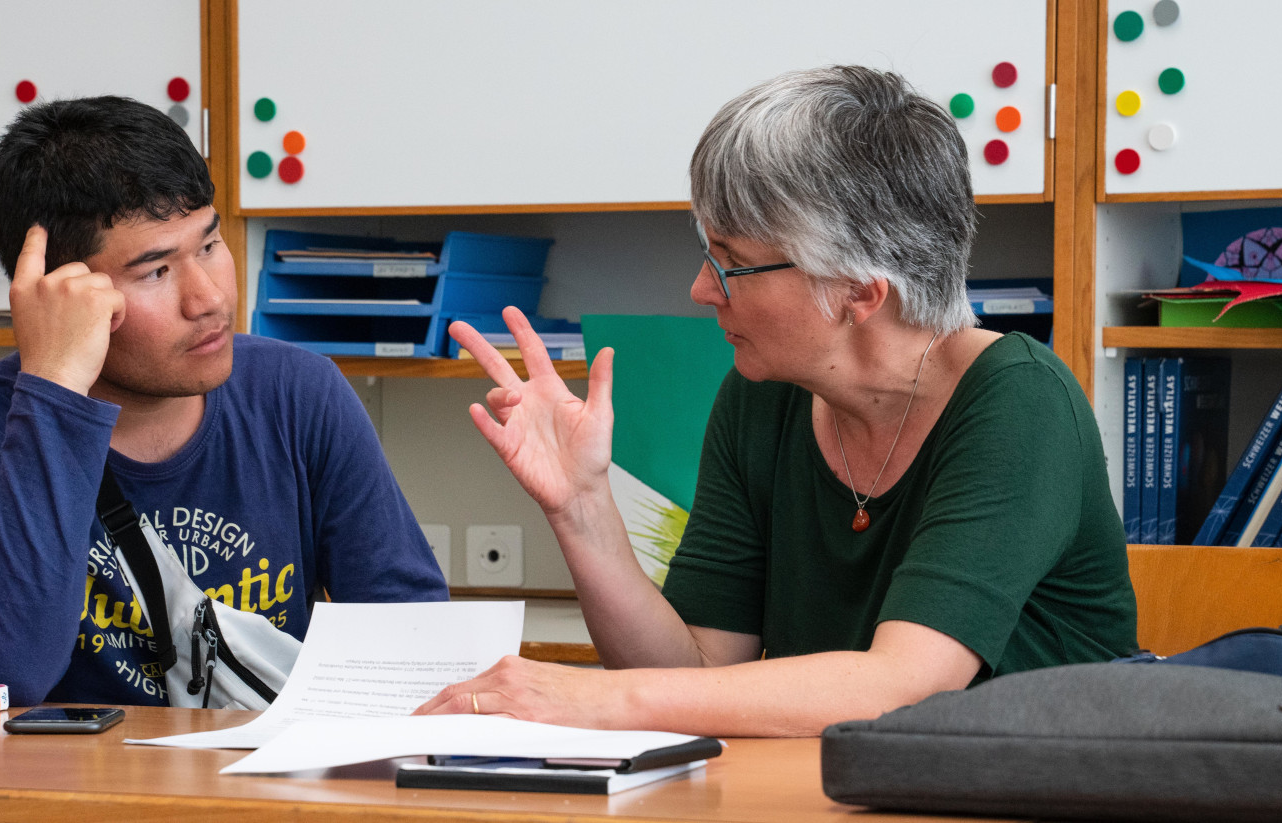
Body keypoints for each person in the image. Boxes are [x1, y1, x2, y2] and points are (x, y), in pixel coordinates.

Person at [417, 66, 1135, 736]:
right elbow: (693, 671)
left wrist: (591, 696)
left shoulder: (1021, 403)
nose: (702, 289)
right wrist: (581, 507)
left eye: (731, 261)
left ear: (859, 290)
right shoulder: (765, 394)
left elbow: (904, 687)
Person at [0, 96, 447, 707]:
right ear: (61, 292)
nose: (208, 298)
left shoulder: (299, 394)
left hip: (267, 788)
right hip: (67, 798)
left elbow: (411, 638)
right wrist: (52, 395)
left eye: (209, 246)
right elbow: (5, 675)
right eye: (156, 271)